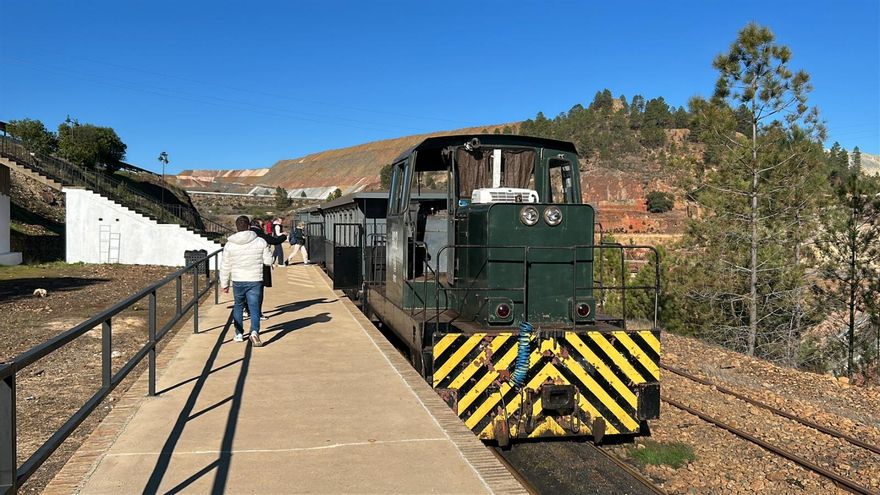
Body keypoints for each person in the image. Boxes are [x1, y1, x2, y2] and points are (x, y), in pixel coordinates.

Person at [220, 215, 273, 346]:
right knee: (254, 307)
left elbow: (225, 266)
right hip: (255, 279)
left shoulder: (230, 244)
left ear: (236, 227)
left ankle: (238, 333)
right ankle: (254, 332)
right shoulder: (260, 241)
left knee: (238, 305)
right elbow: (268, 261)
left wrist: (224, 284)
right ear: (249, 226)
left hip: (238, 280)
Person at [247, 218, 287, 320]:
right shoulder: (259, 234)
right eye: (262, 224)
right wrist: (284, 236)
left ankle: (246, 310)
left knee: (246, 291)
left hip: (246, 267)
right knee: (258, 291)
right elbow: (274, 241)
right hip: (260, 266)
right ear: (258, 225)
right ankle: (257, 313)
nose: (264, 226)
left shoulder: (246, 234)